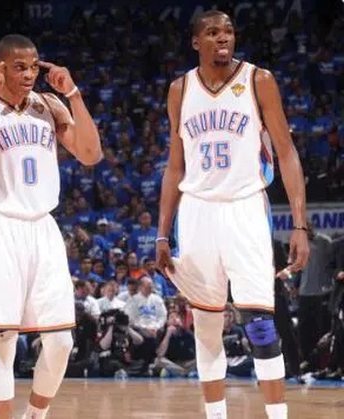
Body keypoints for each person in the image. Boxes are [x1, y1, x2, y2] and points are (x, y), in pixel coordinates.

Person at [156, 11, 310, 419]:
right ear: (196, 42)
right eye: (212, 32)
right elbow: (175, 166)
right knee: (207, 326)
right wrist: (162, 234)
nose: (222, 37)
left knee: (260, 324)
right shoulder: (180, 89)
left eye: (228, 31)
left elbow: (287, 152)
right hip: (197, 211)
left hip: (245, 207)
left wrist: (299, 224)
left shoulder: (259, 80)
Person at [0, 34, 101, 419]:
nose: (30, 74)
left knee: (62, 341)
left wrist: (74, 95)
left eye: (34, 66)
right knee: (3, 340)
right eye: (19, 67)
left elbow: (90, 153)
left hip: (43, 228)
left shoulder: (48, 105)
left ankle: (35, 414)